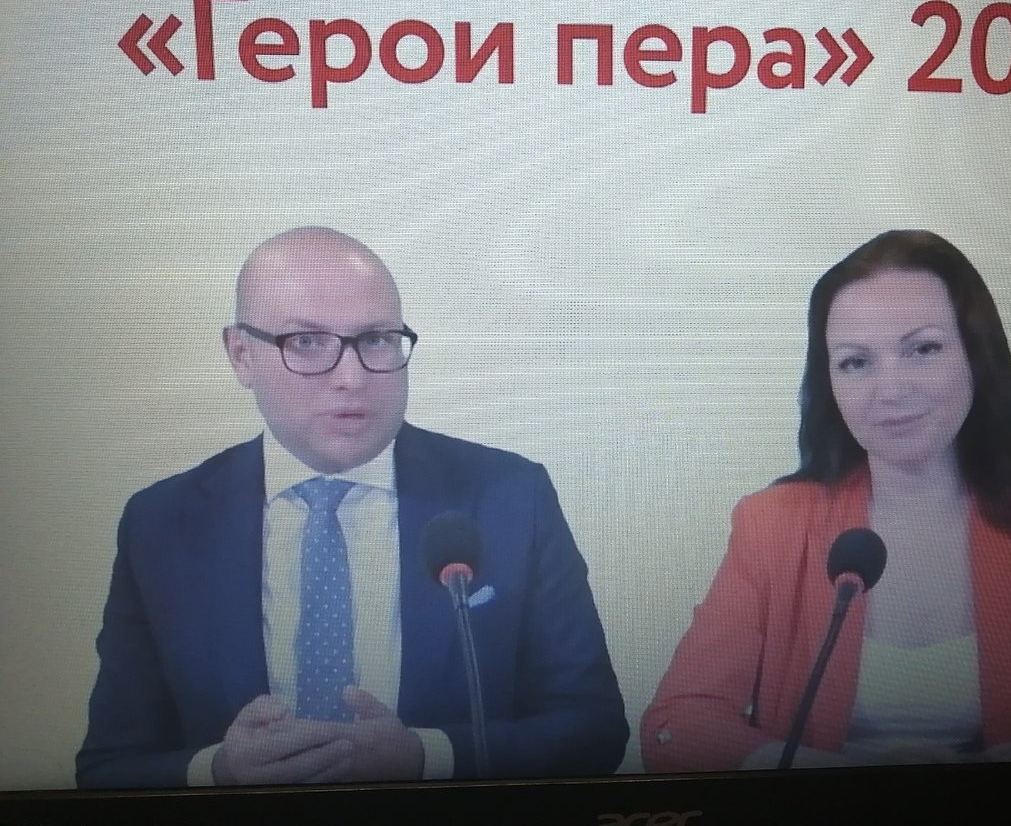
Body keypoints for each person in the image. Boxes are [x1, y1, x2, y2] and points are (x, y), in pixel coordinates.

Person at [641, 230, 1011, 772]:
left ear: (976, 356)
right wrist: (838, 779)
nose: (890, 390)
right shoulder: (772, 524)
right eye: (855, 362)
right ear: (830, 382)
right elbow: (675, 728)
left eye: (922, 349)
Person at [77, 226, 628, 788]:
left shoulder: (510, 496)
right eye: (306, 342)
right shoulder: (161, 523)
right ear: (242, 355)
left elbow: (594, 729)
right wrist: (218, 772)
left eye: (377, 340)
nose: (352, 377)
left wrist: (427, 758)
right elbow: (109, 767)